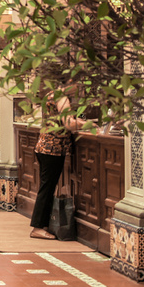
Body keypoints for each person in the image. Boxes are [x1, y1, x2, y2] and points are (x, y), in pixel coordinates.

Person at [30, 90, 83, 240]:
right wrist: (88, 124)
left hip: (44, 146)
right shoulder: (62, 97)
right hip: (53, 149)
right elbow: (70, 124)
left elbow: (69, 117)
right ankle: (38, 227)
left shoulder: (51, 94)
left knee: (46, 187)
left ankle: (41, 225)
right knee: (47, 188)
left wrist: (82, 119)